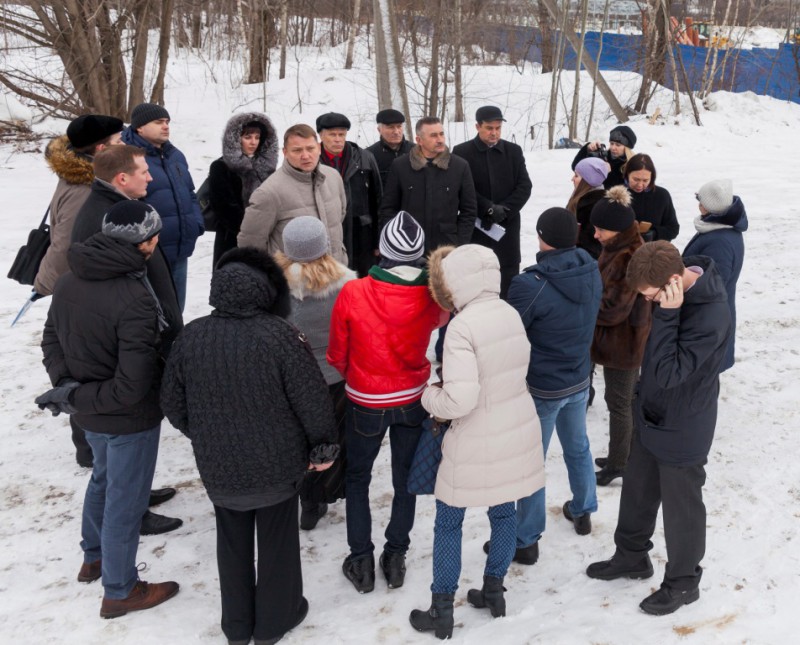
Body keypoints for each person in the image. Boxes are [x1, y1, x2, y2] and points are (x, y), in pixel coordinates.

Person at [161, 246, 338, 645]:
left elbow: (171, 402)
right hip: (278, 465)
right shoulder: (280, 335)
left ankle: (237, 626)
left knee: (231, 543)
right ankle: (276, 619)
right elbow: (311, 399)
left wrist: (206, 435)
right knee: (278, 543)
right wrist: (322, 446)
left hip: (220, 469)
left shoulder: (193, 336)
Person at [37, 200, 179, 619]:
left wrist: (68, 389)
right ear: (146, 243)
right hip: (126, 418)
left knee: (102, 480)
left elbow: (50, 342)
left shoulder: (69, 278)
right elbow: (132, 386)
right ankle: (120, 590)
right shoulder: (134, 296)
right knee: (125, 500)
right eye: (155, 238)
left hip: (90, 411)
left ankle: (94, 557)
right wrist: (75, 396)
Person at [587, 241, 731, 616]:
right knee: (637, 491)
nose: (648, 302)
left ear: (671, 283)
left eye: (651, 296)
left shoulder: (711, 313)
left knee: (682, 509)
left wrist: (667, 315)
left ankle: (684, 583)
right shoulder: (670, 290)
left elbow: (669, 372)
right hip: (651, 412)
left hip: (684, 425)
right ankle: (631, 556)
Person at [409, 244, 544, 640]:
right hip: (514, 429)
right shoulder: (508, 313)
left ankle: (441, 610)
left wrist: (427, 394)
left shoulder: (462, 327)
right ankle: (493, 591)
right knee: (503, 514)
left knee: (449, 522)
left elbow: (459, 401)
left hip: (473, 438)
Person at [327, 211, 449, 594]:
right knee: (405, 481)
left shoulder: (355, 291)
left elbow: (336, 354)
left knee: (358, 477)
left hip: (365, 399)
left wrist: (357, 375)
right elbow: (442, 317)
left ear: (382, 249)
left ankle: (360, 557)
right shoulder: (429, 295)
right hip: (413, 398)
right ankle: (396, 555)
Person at [71, 144, 184, 536]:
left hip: (140, 335)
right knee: (121, 448)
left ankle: (135, 492)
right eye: (143, 171)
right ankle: (129, 515)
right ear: (122, 179)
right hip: (123, 354)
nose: (150, 177)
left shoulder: (118, 207)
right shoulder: (101, 217)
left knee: (125, 455)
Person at [507, 208, 601, 565]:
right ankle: (583, 508)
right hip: (578, 377)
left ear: (542, 237)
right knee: (577, 447)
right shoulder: (591, 269)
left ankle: (526, 538)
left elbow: (510, 329)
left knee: (532, 461)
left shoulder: (531, 284)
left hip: (543, 386)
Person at [32, 114, 124, 469]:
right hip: (82, 293)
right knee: (87, 369)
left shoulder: (81, 175)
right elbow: (63, 246)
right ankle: (89, 449)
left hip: (83, 290)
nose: (122, 144)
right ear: (101, 148)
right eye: (117, 140)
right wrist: (49, 285)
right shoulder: (85, 189)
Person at [274, 216, 357, 530]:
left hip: (291, 380)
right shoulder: (346, 286)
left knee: (299, 439)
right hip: (335, 378)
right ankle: (327, 491)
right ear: (325, 247)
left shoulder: (275, 285)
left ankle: (306, 502)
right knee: (331, 438)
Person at [590, 186, 653, 486]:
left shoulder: (627, 256)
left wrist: (585, 307)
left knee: (619, 403)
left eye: (600, 230)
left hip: (624, 344)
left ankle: (619, 463)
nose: (595, 235)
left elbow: (613, 309)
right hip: (620, 343)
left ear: (615, 230)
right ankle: (621, 453)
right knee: (619, 400)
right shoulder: (619, 246)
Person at [122, 102, 204, 311]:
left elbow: (190, 193)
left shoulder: (175, 155)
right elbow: (126, 203)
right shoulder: (127, 157)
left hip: (179, 249)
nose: (166, 126)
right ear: (139, 127)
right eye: (158, 122)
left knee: (176, 310)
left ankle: (176, 344)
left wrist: (196, 223)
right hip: (150, 253)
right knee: (151, 314)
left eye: (167, 122)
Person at [237, 123, 347, 265]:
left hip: (336, 272)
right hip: (295, 282)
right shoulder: (269, 192)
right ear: (285, 152)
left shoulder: (333, 177)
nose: (305, 156)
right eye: (297, 150)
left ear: (319, 148)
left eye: (310, 148)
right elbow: (250, 243)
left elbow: (339, 218)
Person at [452, 106, 532, 299]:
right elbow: (463, 189)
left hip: (507, 226)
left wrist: (504, 210)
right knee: (476, 278)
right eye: (489, 128)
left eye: (498, 128)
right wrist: (487, 208)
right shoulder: (462, 152)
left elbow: (524, 186)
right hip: (477, 226)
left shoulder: (513, 151)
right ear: (477, 126)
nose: (494, 132)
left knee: (507, 280)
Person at [378, 116, 477, 253]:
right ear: (419, 140)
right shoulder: (400, 166)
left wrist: (459, 244)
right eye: (433, 135)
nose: (440, 140)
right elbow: (389, 209)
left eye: (442, 134)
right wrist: (397, 241)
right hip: (409, 245)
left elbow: (469, 211)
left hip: (447, 247)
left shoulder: (460, 166)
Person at [683, 179, 747, 372]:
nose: (699, 204)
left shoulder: (720, 241)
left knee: (702, 376)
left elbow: (712, 285)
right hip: (706, 316)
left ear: (713, 207)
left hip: (707, 321)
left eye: (702, 201)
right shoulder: (717, 229)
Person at [208, 112, 279, 267]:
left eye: (257, 137)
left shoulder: (266, 169)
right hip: (232, 241)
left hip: (265, 239)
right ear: (235, 138)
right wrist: (251, 230)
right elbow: (224, 208)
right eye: (248, 137)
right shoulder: (221, 167)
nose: (253, 142)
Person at [317, 112, 383, 276]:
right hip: (326, 232)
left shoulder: (364, 158)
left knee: (362, 283)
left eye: (342, 134)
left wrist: (378, 240)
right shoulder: (312, 160)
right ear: (321, 135)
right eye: (332, 134)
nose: (338, 139)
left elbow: (378, 199)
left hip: (362, 235)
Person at [623, 153, 680, 242]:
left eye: (645, 180)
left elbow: (673, 229)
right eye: (636, 179)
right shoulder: (618, 194)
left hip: (652, 251)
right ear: (627, 174)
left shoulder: (662, 195)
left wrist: (654, 233)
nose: (640, 185)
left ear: (652, 178)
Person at [566, 157, 610, 259]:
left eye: (576, 175)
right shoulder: (581, 200)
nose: (572, 179)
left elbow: (591, 245)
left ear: (586, 181)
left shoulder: (593, 206)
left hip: (584, 262)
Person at [571, 124, 636, 189]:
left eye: (618, 145)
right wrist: (587, 149)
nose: (613, 148)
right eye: (611, 143)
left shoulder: (632, 165)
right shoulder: (603, 156)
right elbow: (576, 168)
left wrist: (608, 173)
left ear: (627, 148)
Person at [366, 109, 413, 188]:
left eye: (399, 126)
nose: (396, 131)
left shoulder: (416, 151)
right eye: (391, 127)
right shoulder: (369, 155)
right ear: (379, 130)